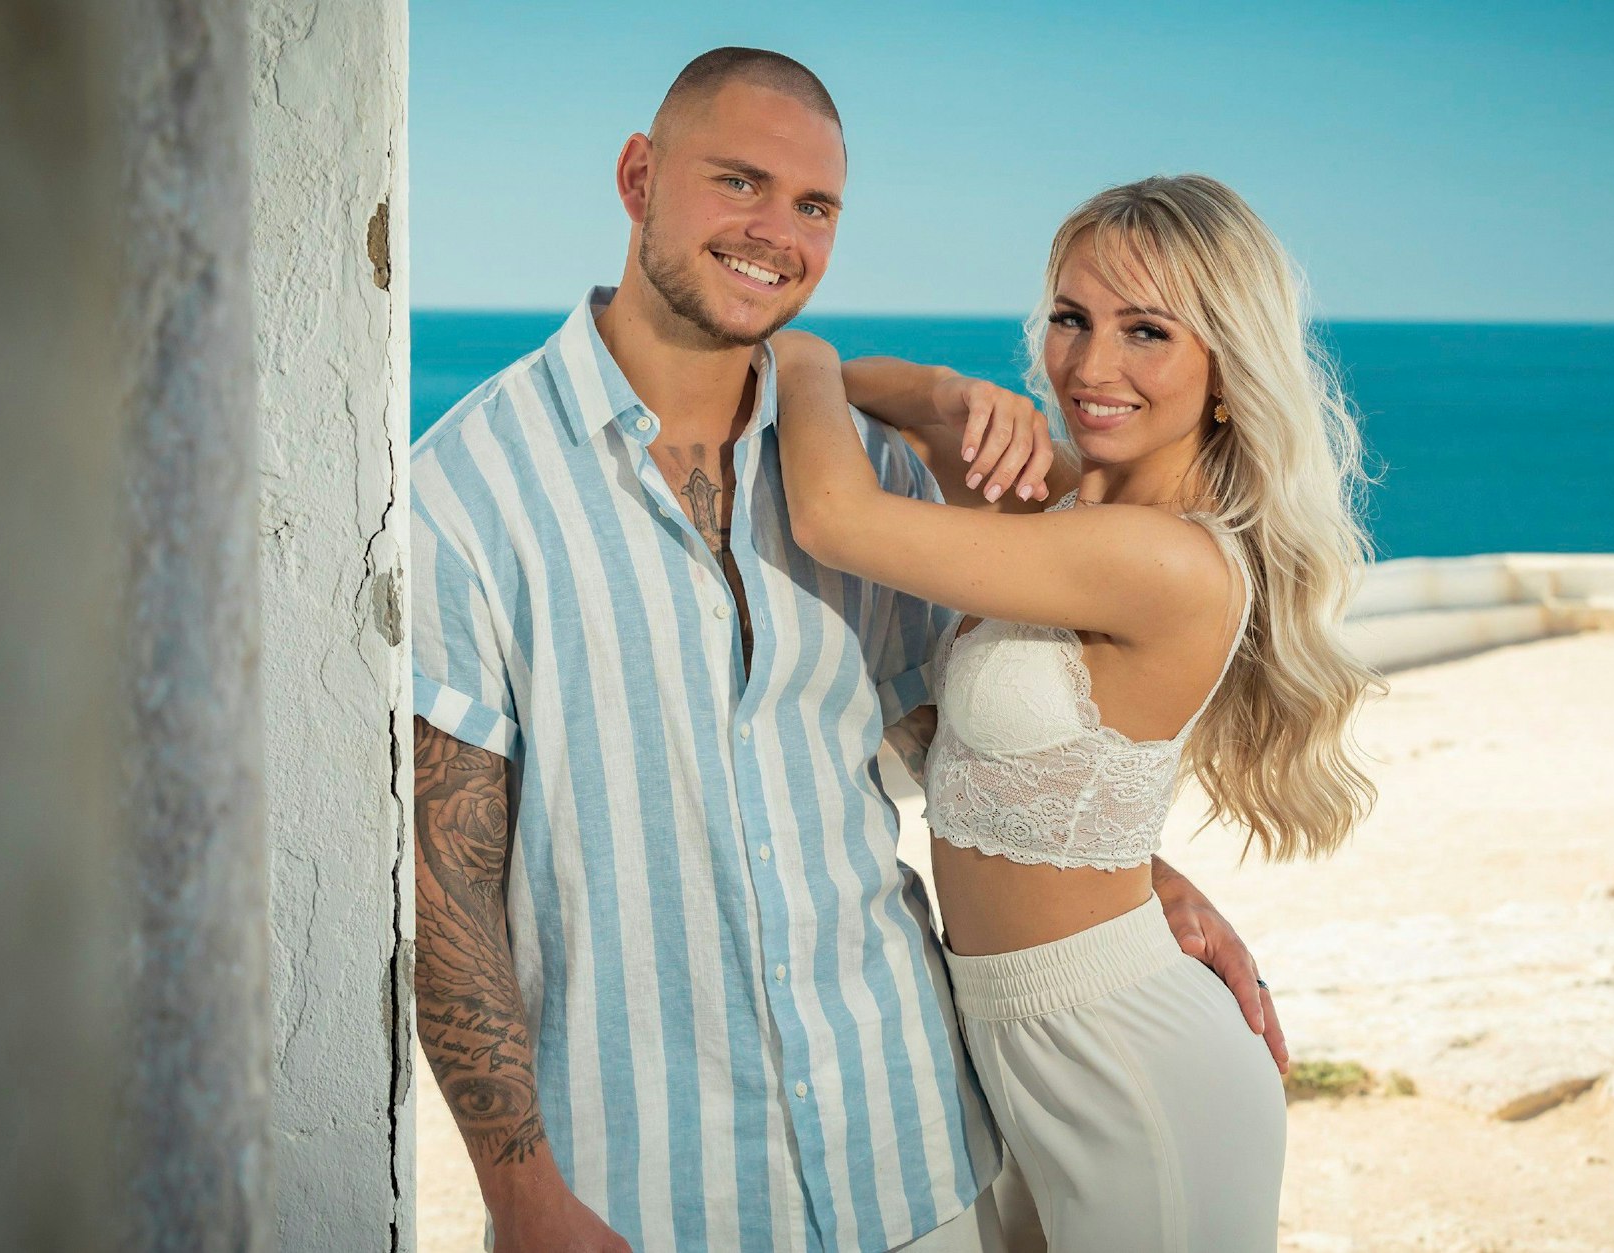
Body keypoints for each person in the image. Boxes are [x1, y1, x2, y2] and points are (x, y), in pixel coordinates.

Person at [410, 48, 1284, 1253]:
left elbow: (945, 725)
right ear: (637, 177)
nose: (776, 232)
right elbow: (443, 879)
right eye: (737, 181)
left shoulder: (859, 469)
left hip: (915, 1151)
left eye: (813, 205)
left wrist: (1144, 883)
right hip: (656, 1189)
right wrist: (520, 1194)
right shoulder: (464, 491)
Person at [772, 175, 1382, 1250]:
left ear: (1227, 368)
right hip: (1002, 1044)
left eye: (1146, 330)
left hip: (1126, 1062)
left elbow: (831, 515)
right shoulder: (1068, 505)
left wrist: (792, 352)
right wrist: (957, 393)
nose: (1090, 366)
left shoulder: (1162, 558)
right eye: (1070, 318)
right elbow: (895, 404)